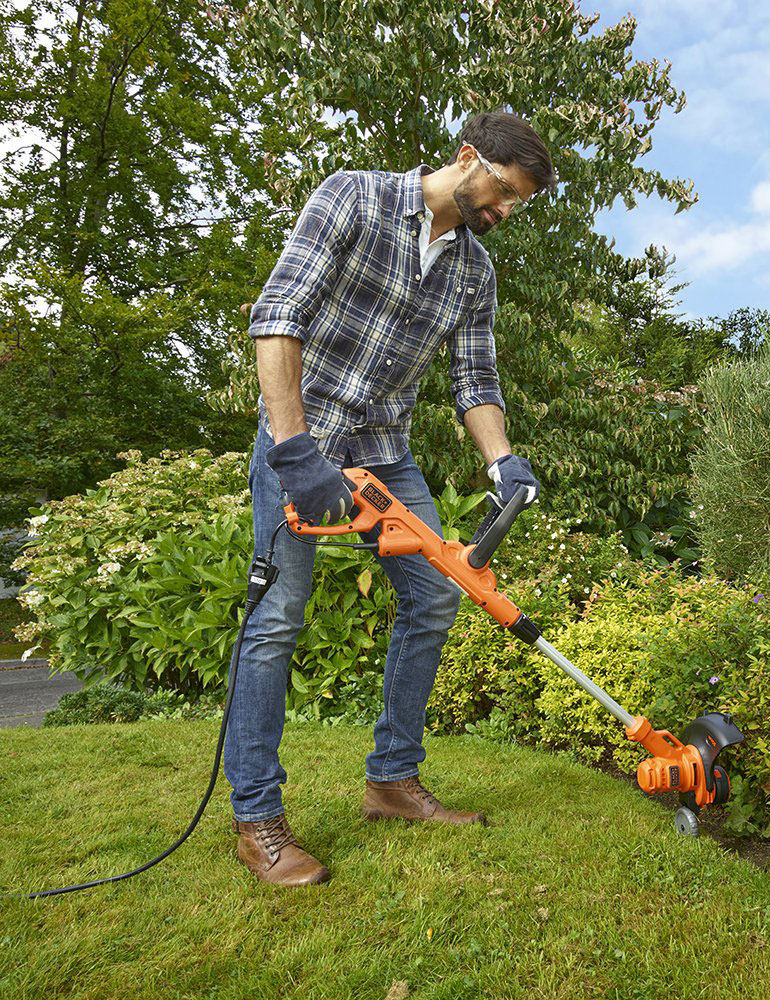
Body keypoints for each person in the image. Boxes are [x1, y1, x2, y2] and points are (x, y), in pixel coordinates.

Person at [226, 111, 557, 886]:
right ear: (468, 157)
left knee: (437, 595)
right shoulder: (354, 197)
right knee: (277, 619)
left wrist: (503, 460)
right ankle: (257, 819)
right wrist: (294, 450)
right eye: (505, 191)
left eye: (519, 202)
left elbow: (474, 378)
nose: (507, 211)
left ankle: (392, 781)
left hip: (385, 454)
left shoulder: (474, 272)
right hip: (300, 439)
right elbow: (277, 317)